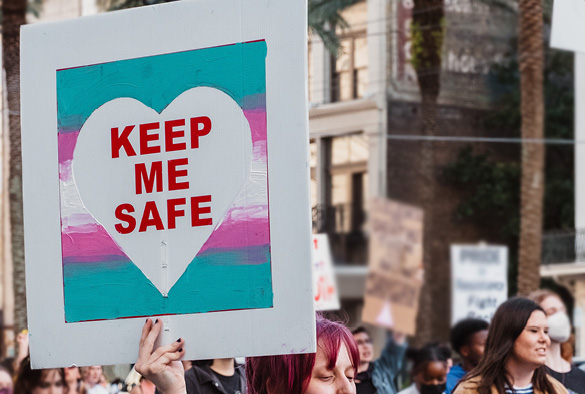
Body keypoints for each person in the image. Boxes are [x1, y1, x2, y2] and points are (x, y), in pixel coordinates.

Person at [135, 315, 359, 394]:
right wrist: (173, 390)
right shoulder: (193, 379)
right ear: (276, 387)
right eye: (326, 376)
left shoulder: (240, 378)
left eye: (351, 377)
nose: (348, 389)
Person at [453, 297, 568, 394]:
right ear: (508, 335)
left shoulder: (556, 390)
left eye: (546, 331)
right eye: (534, 330)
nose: (545, 339)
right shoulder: (470, 390)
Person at [529, 290, 585, 394]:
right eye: (551, 312)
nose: (560, 317)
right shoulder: (529, 374)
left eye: (562, 311)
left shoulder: (581, 376)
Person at [352, 326, 407, 394]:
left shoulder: (382, 369)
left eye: (368, 341)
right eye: (359, 343)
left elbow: (395, 350)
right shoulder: (345, 378)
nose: (366, 346)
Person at [446, 319, 489, 394]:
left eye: (492, 342)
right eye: (485, 344)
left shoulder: (499, 376)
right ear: (465, 351)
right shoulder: (448, 381)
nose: (491, 348)